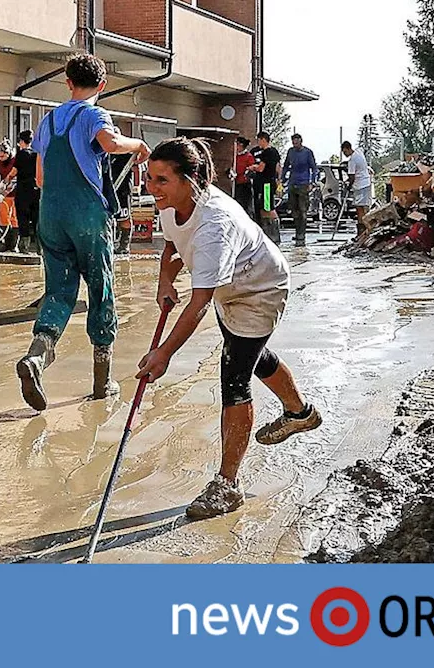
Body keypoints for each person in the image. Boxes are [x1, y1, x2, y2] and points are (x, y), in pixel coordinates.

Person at [140, 137, 323, 520]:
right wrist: (163, 281)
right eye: (149, 178)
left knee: (234, 374)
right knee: (251, 356)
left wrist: (163, 354)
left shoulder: (214, 226)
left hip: (259, 289)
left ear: (192, 180)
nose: (150, 188)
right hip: (229, 286)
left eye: (160, 180)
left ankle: (227, 484)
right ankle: (300, 412)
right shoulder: (171, 206)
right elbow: (173, 247)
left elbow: (199, 303)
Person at [15, 53, 151, 411]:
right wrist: (137, 145)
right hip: (86, 215)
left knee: (58, 292)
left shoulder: (48, 121)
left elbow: (41, 177)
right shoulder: (94, 114)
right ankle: (102, 382)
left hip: (51, 214)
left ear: (68, 82)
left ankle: (37, 357)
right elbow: (109, 144)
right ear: (102, 86)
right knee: (100, 287)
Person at [281, 133, 318, 247]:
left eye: (297, 142)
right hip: (293, 183)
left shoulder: (307, 152)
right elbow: (286, 165)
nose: (295, 144)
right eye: (293, 142)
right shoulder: (291, 152)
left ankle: (301, 234)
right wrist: (282, 179)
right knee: (293, 209)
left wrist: (312, 182)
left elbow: (314, 168)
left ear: (301, 141)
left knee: (303, 210)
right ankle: (297, 232)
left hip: (304, 184)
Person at [8, 130, 41, 254]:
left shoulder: (22, 154)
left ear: (21, 141)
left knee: (23, 218)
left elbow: (14, 171)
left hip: (23, 191)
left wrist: (6, 181)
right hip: (36, 190)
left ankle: (24, 247)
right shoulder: (37, 154)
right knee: (36, 218)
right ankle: (40, 248)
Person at [249, 131, 282, 243]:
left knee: (268, 207)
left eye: (259, 140)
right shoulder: (275, 152)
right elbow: (278, 168)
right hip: (269, 182)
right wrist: (278, 180)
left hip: (266, 184)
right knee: (264, 207)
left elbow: (261, 168)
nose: (258, 143)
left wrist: (253, 167)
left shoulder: (267, 152)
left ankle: (274, 233)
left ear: (263, 139)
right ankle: (268, 232)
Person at [342, 141, 372, 237]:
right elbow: (363, 149)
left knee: (359, 208)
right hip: (366, 183)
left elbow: (352, 177)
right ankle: (367, 229)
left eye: (345, 152)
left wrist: (348, 186)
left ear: (348, 148)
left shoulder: (352, 160)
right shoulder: (359, 152)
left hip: (359, 186)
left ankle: (362, 231)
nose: (344, 154)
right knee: (365, 207)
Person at [0, 141, 21, 253]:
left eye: (2, 156)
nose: (0, 158)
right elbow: (2, 174)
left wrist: (4, 193)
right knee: (2, 216)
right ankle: (4, 242)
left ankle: (14, 244)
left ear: (8, 153)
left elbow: (15, 180)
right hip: (5, 190)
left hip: (16, 192)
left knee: (14, 218)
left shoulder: (15, 161)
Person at [232, 137, 255, 216]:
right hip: (235, 184)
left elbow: (251, 169)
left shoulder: (248, 156)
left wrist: (244, 173)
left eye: (237, 145)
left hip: (245, 184)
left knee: (245, 206)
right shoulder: (234, 156)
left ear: (241, 145)